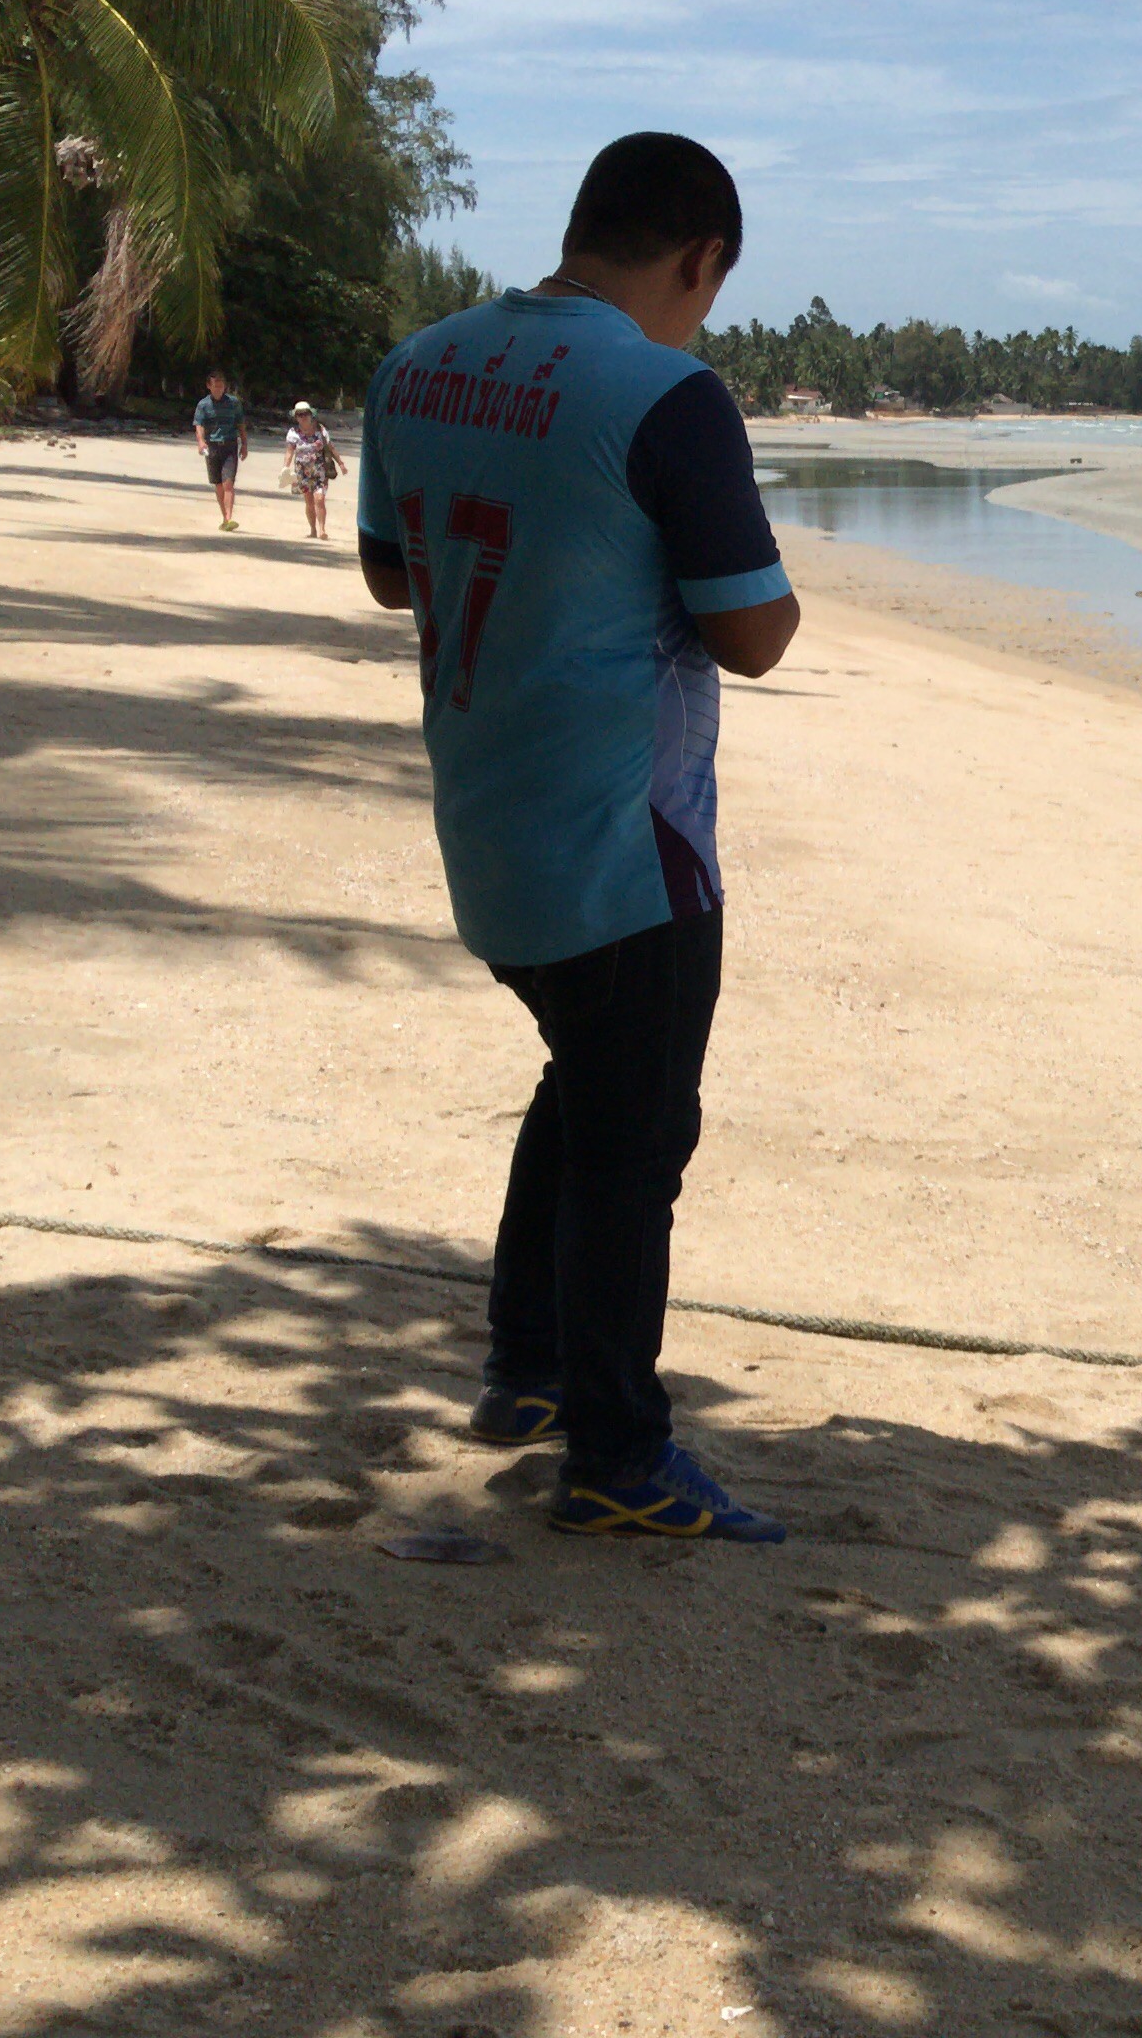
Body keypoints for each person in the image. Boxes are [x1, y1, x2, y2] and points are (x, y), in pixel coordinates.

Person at [356, 132, 800, 1543]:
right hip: (627, 842)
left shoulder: (418, 363)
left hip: (488, 816)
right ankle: (616, 1450)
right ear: (699, 260)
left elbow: (387, 570)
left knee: (584, 1079)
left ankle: (525, 1365)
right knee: (635, 1142)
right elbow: (756, 634)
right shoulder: (668, 395)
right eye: (711, 288)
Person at [190, 369, 247, 529]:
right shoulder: (203, 405)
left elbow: (240, 424)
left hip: (230, 446)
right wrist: (201, 441)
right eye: (216, 386)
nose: (219, 389)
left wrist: (244, 445)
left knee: (228, 483)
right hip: (213, 447)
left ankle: (229, 518)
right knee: (219, 485)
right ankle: (224, 517)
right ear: (209, 386)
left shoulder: (234, 403)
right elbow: (199, 425)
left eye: (221, 386)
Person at [281, 401, 343, 540]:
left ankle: (322, 529)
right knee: (309, 501)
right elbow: (289, 451)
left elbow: (331, 447)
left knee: (319, 499)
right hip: (302, 471)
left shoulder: (321, 430)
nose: (303, 417)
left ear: (311, 415)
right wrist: (286, 467)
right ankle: (313, 529)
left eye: (306, 414)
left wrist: (341, 463)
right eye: (299, 415)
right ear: (296, 417)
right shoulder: (293, 433)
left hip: (319, 470)